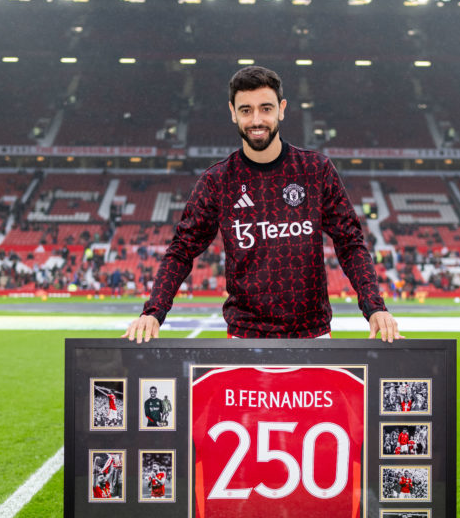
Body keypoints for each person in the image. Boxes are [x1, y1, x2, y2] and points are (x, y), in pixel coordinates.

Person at [124, 65, 400, 343]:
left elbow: (350, 243)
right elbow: (181, 250)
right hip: (245, 338)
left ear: (281, 109)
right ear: (232, 112)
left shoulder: (316, 170)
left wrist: (374, 307)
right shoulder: (217, 181)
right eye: (246, 110)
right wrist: (153, 312)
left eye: (265, 108)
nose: (256, 120)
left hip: (313, 335)